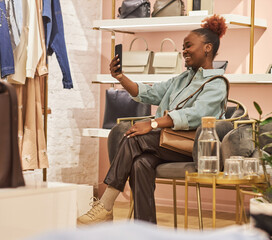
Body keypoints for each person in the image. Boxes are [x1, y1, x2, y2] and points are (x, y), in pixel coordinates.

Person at [77, 14, 228, 225]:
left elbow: (195, 115)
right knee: (140, 163)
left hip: (193, 147)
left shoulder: (217, 83)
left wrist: (153, 124)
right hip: (165, 144)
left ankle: (106, 205)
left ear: (207, 48)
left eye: (188, 46)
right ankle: (145, 230)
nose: (183, 51)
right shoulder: (182, 79)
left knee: (133, 138)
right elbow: (148, 92)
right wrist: (120, 77)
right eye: (183, 47)